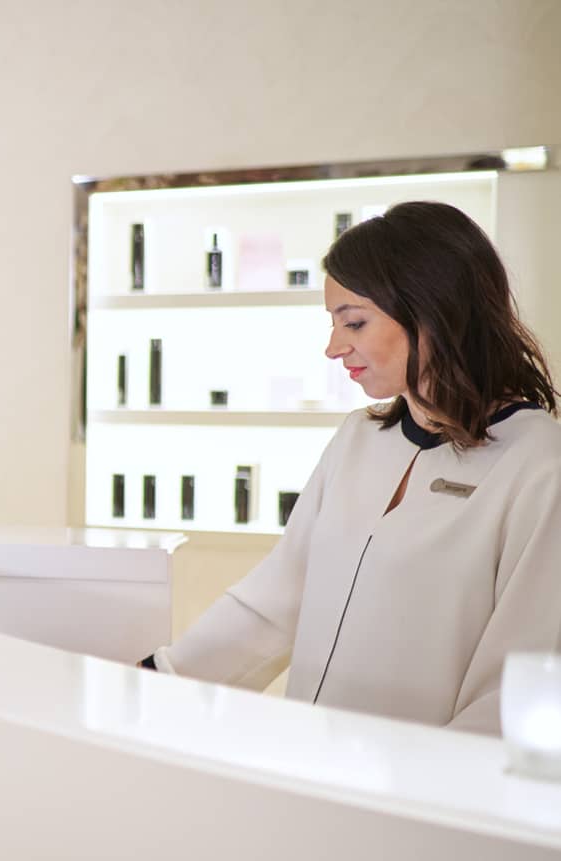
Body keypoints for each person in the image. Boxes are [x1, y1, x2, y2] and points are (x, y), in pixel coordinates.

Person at [145, 201, 561, 736]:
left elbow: (514, 684)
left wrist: (437, 798)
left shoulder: (538, 465)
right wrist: (158, 678)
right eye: (334, 323)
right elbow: (279, 597)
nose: (334, 347)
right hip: (313, 771)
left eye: (355, 322)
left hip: (420, 800)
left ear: (434, 311)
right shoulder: (358, 438)